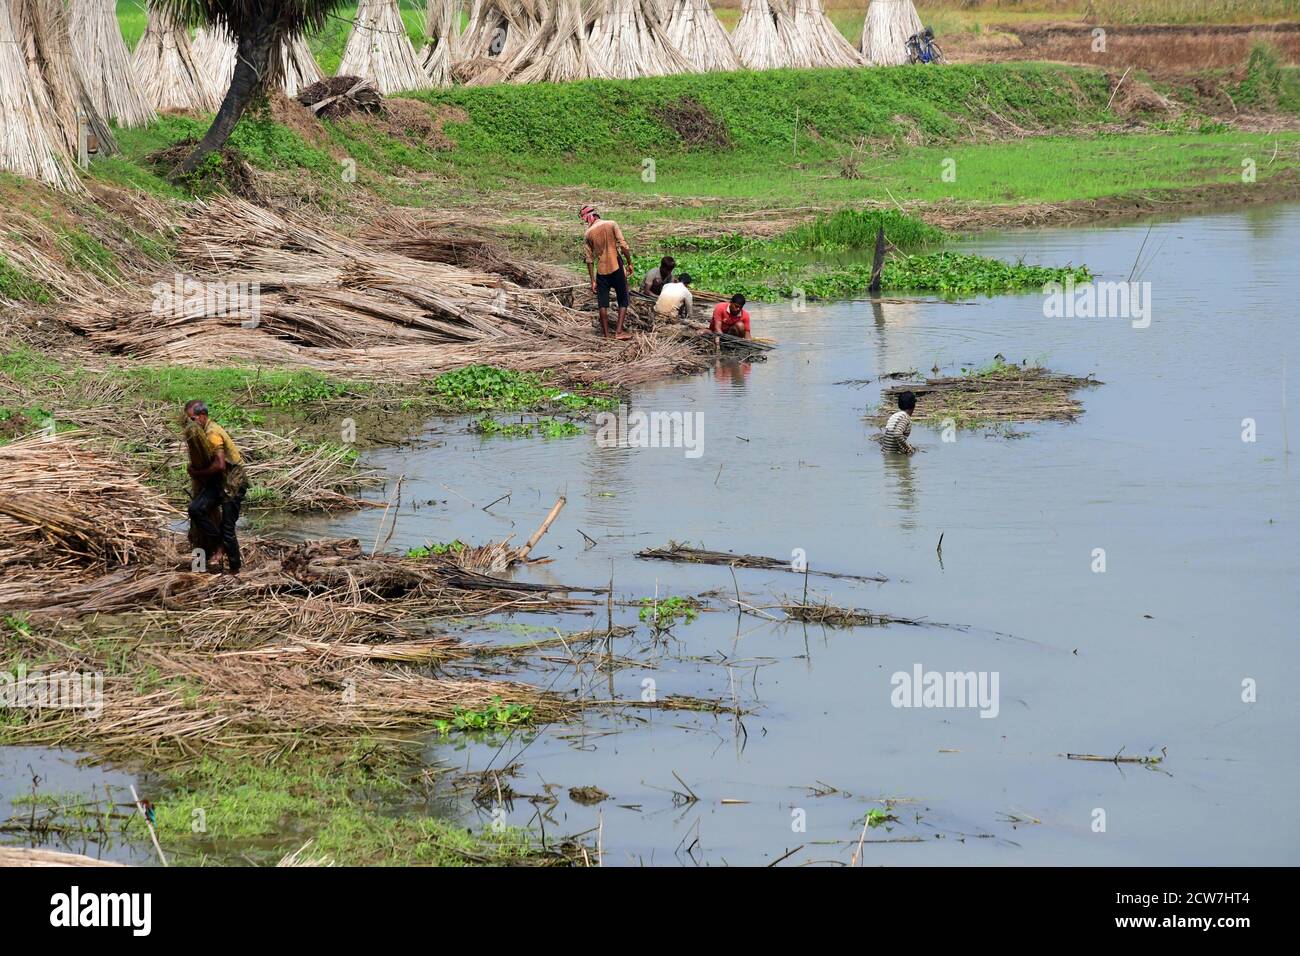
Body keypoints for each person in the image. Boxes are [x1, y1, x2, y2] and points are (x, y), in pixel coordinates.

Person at [185, 399, 248, 574]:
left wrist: (197, 474)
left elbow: (220, 465)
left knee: (228, 527)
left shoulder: (212, 433)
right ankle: (215, 545)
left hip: (233, 482)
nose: (190, 423)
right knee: (195, 509)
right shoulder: (200, 434)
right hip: (218, 481)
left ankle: (235, 571)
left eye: (192, 419)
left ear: (202, 416)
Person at [581, 204, 634, 339]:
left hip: (601, 271)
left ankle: (606, 335)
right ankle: (618, 332)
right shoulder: (611, 224)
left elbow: (589, 259)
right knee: (623, 299)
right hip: (616, 266)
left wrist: (592, 280)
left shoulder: (588, 234)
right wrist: (629, 263)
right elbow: (623, 245)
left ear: (588, 218)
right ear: (597, 214)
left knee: (602, 303)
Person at [881, 390, 917, 455]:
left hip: (885, 452)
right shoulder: (905, 418)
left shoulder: (895, 415)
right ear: (913, 406)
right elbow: (897, 434)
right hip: (894, 455)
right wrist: (908, 448)